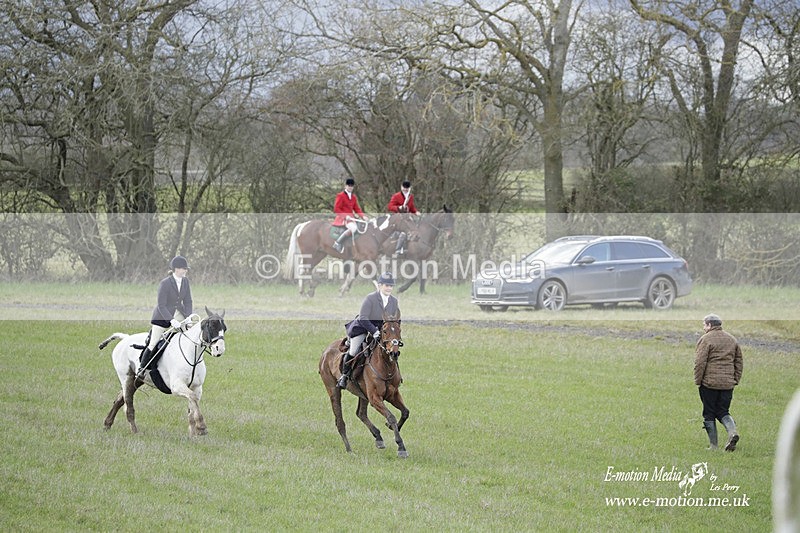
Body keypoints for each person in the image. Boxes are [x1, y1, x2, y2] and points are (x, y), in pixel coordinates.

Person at [136, 255, 194, 381]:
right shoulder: (165, 283)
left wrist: (188, 317)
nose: (185, 271)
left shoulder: (185, 281)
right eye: (183, 269)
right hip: (162, 315)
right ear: (175, 269)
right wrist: (171, 321)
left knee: (189, 334)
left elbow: (188, 301)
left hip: (178, 313)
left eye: (185, 269)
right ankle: (141, 369)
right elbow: (161, 305)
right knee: (154, 342)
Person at [338, 272, 400, 389]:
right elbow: (363, 318)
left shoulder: (394, 301)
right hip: (363, 327)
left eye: (391, 286)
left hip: (382, 331)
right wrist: (374, 331)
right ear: (380, 285)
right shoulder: (370, 298)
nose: (389, 288)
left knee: (391, 350)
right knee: (354, 351)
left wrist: (394, 333)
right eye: (386, 285)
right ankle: (344, 376)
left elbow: (396, 319)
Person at [694, 313, 743, 451]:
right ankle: (732, 433)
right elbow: (739, 362)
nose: (703, 328)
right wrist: (735, 379)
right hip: (728, 384)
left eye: (704, 325)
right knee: (723, 411)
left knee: (709, 413)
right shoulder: (732, 340)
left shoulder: (706, 339)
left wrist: (698, 380)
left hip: (709, 384)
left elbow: (700, 362)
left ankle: (713, 446)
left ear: (709, 325)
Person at [332, 178, 367, 253]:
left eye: (352, 186)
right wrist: (345, 216)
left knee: (362, 226)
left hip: (351, 218)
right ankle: (337, 243)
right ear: (345, 186)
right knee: (353, 228)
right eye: (349, 185)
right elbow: (336, 209)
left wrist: (363, 216)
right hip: (342, 218)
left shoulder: (353, 197)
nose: (350, 187)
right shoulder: (340, 196)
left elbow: (357, 209)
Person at [386, 180, 420, 256]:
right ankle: (398, 250)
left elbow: (411, 207)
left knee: (414, 229)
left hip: (407, 217)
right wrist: (399, 207)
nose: (405, 189)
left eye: (407, 188)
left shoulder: (410, 197)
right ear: (401, 187)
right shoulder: (396, 196)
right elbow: (390, 206)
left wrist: (416, 212)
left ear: (409, 188)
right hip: (397, 218)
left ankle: (410, 248)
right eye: (404, 187)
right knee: (403, 232)